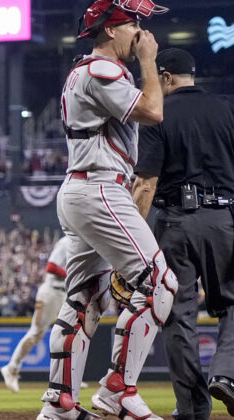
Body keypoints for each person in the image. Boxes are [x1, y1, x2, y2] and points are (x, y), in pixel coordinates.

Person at [37, 1, 177, 419]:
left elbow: (143, 107)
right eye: (133, 22)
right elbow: (152, 112)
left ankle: (60, 402)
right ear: (112, 29)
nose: (140, 31)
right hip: (100, 188)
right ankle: (118, 388)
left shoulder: (86, 71)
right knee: (159, 284)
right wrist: (150, 62)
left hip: (84, 188)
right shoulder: (103, 69)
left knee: (83, 299)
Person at [134, 48, 234, 420]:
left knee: (179, 318)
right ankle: (226, 373)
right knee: (233, 303)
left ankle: (193, 410)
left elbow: (145, 184)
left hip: (174, 222)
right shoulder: (226, 108)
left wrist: (132, 243)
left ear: (165, 77)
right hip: (223, 218)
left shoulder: (158, 115)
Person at [1, 236, 87, 393]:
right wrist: (71, 275)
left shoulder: (83, 243)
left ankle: (67, 377)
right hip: (51, 292)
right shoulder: (67, 241)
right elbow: (51, 267)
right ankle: (11, 368)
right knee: (36, 333)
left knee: (71, 334)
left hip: (65, 294)